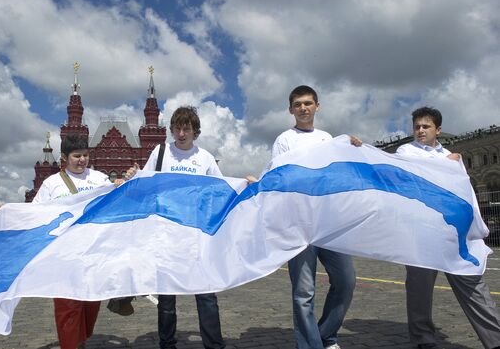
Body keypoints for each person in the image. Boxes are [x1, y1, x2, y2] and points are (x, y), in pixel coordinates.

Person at [251, 85, 357, 349]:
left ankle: (325, 335)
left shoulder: (327, 138)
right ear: (290, 110)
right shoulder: (285, 140)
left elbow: (338, 172)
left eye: (308, 103)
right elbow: (281, 177)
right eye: (298, 104)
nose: (303, 108)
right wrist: (259, 185)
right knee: (303, 293)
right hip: (299, 225)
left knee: (346, 281)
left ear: (317, 106)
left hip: (328, 223)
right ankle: (310, 345)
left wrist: (353, 148)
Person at [397, 107, 500, 349]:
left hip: (453, 233)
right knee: (419, 290)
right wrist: (446, 164)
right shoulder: (406, 151)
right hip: (421, 233)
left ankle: (495, 340)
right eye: (417, 127)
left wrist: (474, 229)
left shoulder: (453, 157)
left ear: (438, 130)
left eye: (426, 126)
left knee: (473, 283)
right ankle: (423, 340)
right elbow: (413, 177)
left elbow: (464, 193)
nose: (420, 130)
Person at [141, 106, 225, 349]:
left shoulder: (205, 158)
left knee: (206, 295)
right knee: (167, 299)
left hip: (197, 236)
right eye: (177, 128)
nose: (181, 133)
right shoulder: (161, 153)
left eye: (186, 128)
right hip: (166, 235)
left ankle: (214, 345)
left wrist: (247, 187)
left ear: (195, 131)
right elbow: (145, 185)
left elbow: (220, 191)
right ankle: (167, 344)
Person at [33, 134, 126, 349]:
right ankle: (71, 344)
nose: (82, 160)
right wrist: (7, 212)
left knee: (91, 302)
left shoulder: (99, 178)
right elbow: (35, 211)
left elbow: (114, 202)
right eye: (76, 156)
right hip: (63, 253)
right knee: (67, 304)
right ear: (64, 157)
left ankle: (80, 338)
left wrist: (121, 184)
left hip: (93, 252)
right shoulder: (52, 183)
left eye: (85, 155)